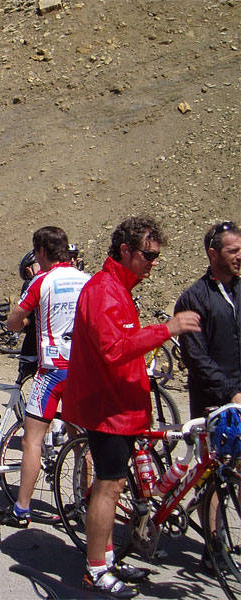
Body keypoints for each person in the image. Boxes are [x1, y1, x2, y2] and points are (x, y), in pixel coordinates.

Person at [62, 216, 201, 598]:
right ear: (125, 250)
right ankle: (95, 570)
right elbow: (113, 349)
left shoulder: (119, 286)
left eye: (157, 256)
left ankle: (106, 558)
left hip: (119, 403)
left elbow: (121, 342)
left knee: (116, 483)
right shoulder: (104, 289)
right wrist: (166, 329)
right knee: (110, 486)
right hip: (106, 408)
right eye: (148, 254)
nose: (154, 262)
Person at [3, 227, 90, 527]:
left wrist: (26, 318)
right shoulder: (88, 280)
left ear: (40, 251)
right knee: (83, 440)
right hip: (82, 370)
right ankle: (83, 504)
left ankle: (22, 508)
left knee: (32, 441)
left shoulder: (41, 280)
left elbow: (14, 322)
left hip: (52, 371)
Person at [175, 221, 241, 418]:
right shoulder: (193, 299)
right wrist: (231, 393)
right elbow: (196, 357)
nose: (239, 256)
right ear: (213, 254)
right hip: (214, 407)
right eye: (233, 251)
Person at [16, 250, 40, 383]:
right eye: (38, 265)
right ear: (29, 270)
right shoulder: (30, 284)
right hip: (35, 339)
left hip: (36, 339)